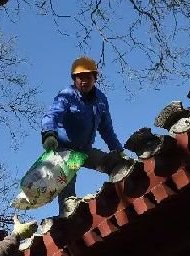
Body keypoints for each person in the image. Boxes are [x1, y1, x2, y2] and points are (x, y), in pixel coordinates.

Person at [41, 55, 131, 216]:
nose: (83, 81)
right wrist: (49, 134)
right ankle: (68, 216)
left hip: (84, 150)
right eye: (79, 77)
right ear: (74, 79)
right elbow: (53, 114)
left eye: (87, 77)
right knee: (68, 194)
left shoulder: (101, 100)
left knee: (115, 164)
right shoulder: (67, 95)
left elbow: (106, 129)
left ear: (95, 78)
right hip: (66, 151)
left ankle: (126, 194)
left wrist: (118, 150)